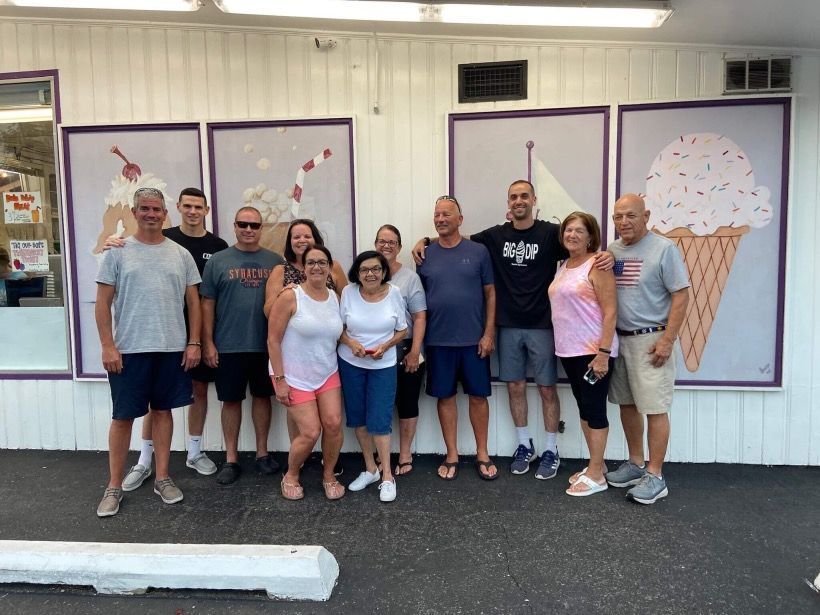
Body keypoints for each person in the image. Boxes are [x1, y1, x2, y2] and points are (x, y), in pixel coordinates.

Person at [414, 181, 612, 480]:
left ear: (533, 199)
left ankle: (550, 449)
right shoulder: (495, 236)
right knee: (515, 387)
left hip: (543, 326)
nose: (519, 201)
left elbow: (579, 246)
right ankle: (524, 445)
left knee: (547, 388)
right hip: (507, 326)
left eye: (524, 196)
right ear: (508, 203)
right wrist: (426, 239)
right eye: (513, 197)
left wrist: (607, 255)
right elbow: (457, 237)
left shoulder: (550, 233)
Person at [94, 187, 201, 517]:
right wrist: (108, 345)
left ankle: (164, 477)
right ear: (135, 212)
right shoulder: (117, 252)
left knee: (164, 412)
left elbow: (193, 303)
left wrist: (194, 342)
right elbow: (102, 303)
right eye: (145, 208)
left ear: (165, 213)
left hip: (171, 348)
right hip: (130, 349)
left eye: (157, 209)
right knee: (123, 417)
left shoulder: (180, 254)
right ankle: (113, 485)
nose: (151, 214)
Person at [113, 188, 228, 493]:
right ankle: (144, 459)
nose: (192, 211)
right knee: (150, 405)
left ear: (206, 209)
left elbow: (202, 297)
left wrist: (199, 340)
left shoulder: (216, 245)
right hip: (148, 337)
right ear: (176, 209)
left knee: (195, 392)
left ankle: (193, 452)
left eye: (198, 206)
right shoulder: (161, 238)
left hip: (191, 334)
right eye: (187, 206)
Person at [606, 193, 689, 504]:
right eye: (617, 217)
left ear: (646, 216)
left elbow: (681, 295)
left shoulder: (664, 248)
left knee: (654, 407)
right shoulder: (613, 250)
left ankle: (655, 475)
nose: (623, 222)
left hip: (651, 339)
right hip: (621, 340)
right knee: (627, 404)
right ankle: (635, 463)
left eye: (630, 215)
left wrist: (668, 339)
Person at [200, 206, 285, 485]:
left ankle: (262, 454)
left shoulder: (275, 261)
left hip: (265, 346)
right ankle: (232, 459)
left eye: (254, 225)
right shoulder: (219, 261)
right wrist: (208, 342)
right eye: (243, 224)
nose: (248, 230)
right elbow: (207, 303)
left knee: (263, 398)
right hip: (228, 345)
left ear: (261, 228)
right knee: (231, 400)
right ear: (234, 226)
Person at [416, 196, 497, 481]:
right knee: (445, 397)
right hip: (438, 341)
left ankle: (482, 453)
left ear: (460, 219)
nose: (440, 219)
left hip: (474, 341)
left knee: (478, 397)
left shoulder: (478, 252)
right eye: (436, 214)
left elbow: (490, 293)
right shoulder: (425, 254)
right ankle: (451, 454)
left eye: (446, 214)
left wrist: (488, 333)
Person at [262, 218, 347, 477]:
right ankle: (298, 464)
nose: (301, 240)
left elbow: (346, 304)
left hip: (324, 359)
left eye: (306, 236)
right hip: (294, 362)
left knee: (331, 423)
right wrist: (285, 299)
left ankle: (325, 467)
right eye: (296, 236)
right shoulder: (282, 273)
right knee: (307, 426)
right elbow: (269, 314)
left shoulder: (332, 268)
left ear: (315, 238)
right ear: (289, 242)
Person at [548, 212, 618, 496]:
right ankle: (595, 466)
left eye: (579, 231)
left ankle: (597, 475)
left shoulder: (598, 264)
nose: (572, 235)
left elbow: (611, 310)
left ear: (591, 237)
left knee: (595, 410)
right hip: (570, 351)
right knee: (584, 409)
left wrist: (603, 353)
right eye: (568, 230)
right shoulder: (564, 265)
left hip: (593, 351)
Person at [338, 250, 407, 502]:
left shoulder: (394, 293)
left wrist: (386, 347)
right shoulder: (347, 292)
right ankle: (370, 469)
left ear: (383, 271)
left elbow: (403, 330)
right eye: (365, 269)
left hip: (383, 365)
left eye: (376, 269)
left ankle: (387, 476)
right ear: (357, 272)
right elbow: (338, 328)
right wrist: (350, 342)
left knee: (380, 419)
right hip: (351, 363)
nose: (370, 274)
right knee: (358, 418)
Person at [374, 224, 426, 476]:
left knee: (407, 403)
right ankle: (380, 452)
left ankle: (405, 453)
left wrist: (415, 351)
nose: (386, 246)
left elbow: (419, 316)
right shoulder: (367, 274)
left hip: (405, 351)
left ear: (400, 247)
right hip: (375, 354)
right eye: (382, 241)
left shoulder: (409, 278)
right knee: (380, 404)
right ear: (375, 244)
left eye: (392, 242)